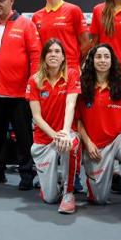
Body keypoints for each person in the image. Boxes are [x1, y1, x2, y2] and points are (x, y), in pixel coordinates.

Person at [0, 0, 40, 189]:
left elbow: (36, 57)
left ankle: (27, 174)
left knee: (23, 137)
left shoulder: (26, 24)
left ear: (11, 1)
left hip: (20, 94)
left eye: (1, 0)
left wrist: (31, 86)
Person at [76, 43, 121, 220]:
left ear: (112, 60)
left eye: (107, 56)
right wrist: (87, 142)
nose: (103, 60)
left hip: (118, 139)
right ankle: (111, 175)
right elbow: (78, 120)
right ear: (92, 60)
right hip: (95, 146)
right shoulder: (82, 86)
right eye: (98, 56)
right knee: (98, 199)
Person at [26, 39, 81, 214]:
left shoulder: (72, 74)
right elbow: (36, 116)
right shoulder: (34, 80)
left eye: (57, 51)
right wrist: (54, 135)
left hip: (66, 132)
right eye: (49, 52)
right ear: (44, 57)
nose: (53, 55)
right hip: (44, 139)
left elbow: (70, 105)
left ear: (63, 57)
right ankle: (54, 181)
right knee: (49, 198)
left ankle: (68, 193)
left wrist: (64, 133)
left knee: (69, 144)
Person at [32, 0, 89, 73]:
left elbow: (85, 44)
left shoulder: (73, 10)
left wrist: (75, 63)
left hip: (70, 69)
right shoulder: (36, 16)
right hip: (46, 70)